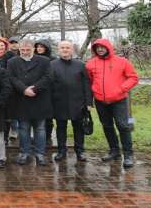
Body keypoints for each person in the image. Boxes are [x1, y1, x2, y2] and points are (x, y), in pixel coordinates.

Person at [86, 38, 139, 168]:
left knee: (123, 126)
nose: (100, 49)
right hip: (100, 101)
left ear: (108, 47)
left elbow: (133, 78)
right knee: (107, 126)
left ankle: (128, 155)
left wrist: (121, 89)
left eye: (102, 47)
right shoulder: (91, 64)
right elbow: (89, 81)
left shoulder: (122, 62)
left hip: (119, 100)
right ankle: (114, 151)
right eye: (97, 47)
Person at [6, 39, 52, 166]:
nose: (25, 52)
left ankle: (40, 153)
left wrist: (35, 88)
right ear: (19, 49)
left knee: (40, 128)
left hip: (39, 98)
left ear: (33, 49)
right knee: (23, 128)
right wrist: (24, 89)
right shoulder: (12, 62)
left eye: (28, 50)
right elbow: (11, 77)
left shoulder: (44, 61)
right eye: (22, 50)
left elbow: (48, 77)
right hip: (22, 99)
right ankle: (24, 153)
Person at [50, 40, 92, 162]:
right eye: (62, 47)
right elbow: (49, 85)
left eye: (67, 47)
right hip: (59, 102)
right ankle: (61, 151)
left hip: (78, 103)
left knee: (78, 127)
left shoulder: (80, 65)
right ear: (58, 50)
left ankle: (80, 151)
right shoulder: (52, 65)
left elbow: (86, 84)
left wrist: (88, 102)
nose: (65, 50)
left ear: (72, 50)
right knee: (61, 127)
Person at [34, 39, 56, 149]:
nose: (39, 49)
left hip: (48, 90)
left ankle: (47, 137)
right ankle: (37, 137)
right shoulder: (33, 59)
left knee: (48, 117)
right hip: (36, 90)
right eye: (38, 47)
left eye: (42, 47)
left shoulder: (52, 60)